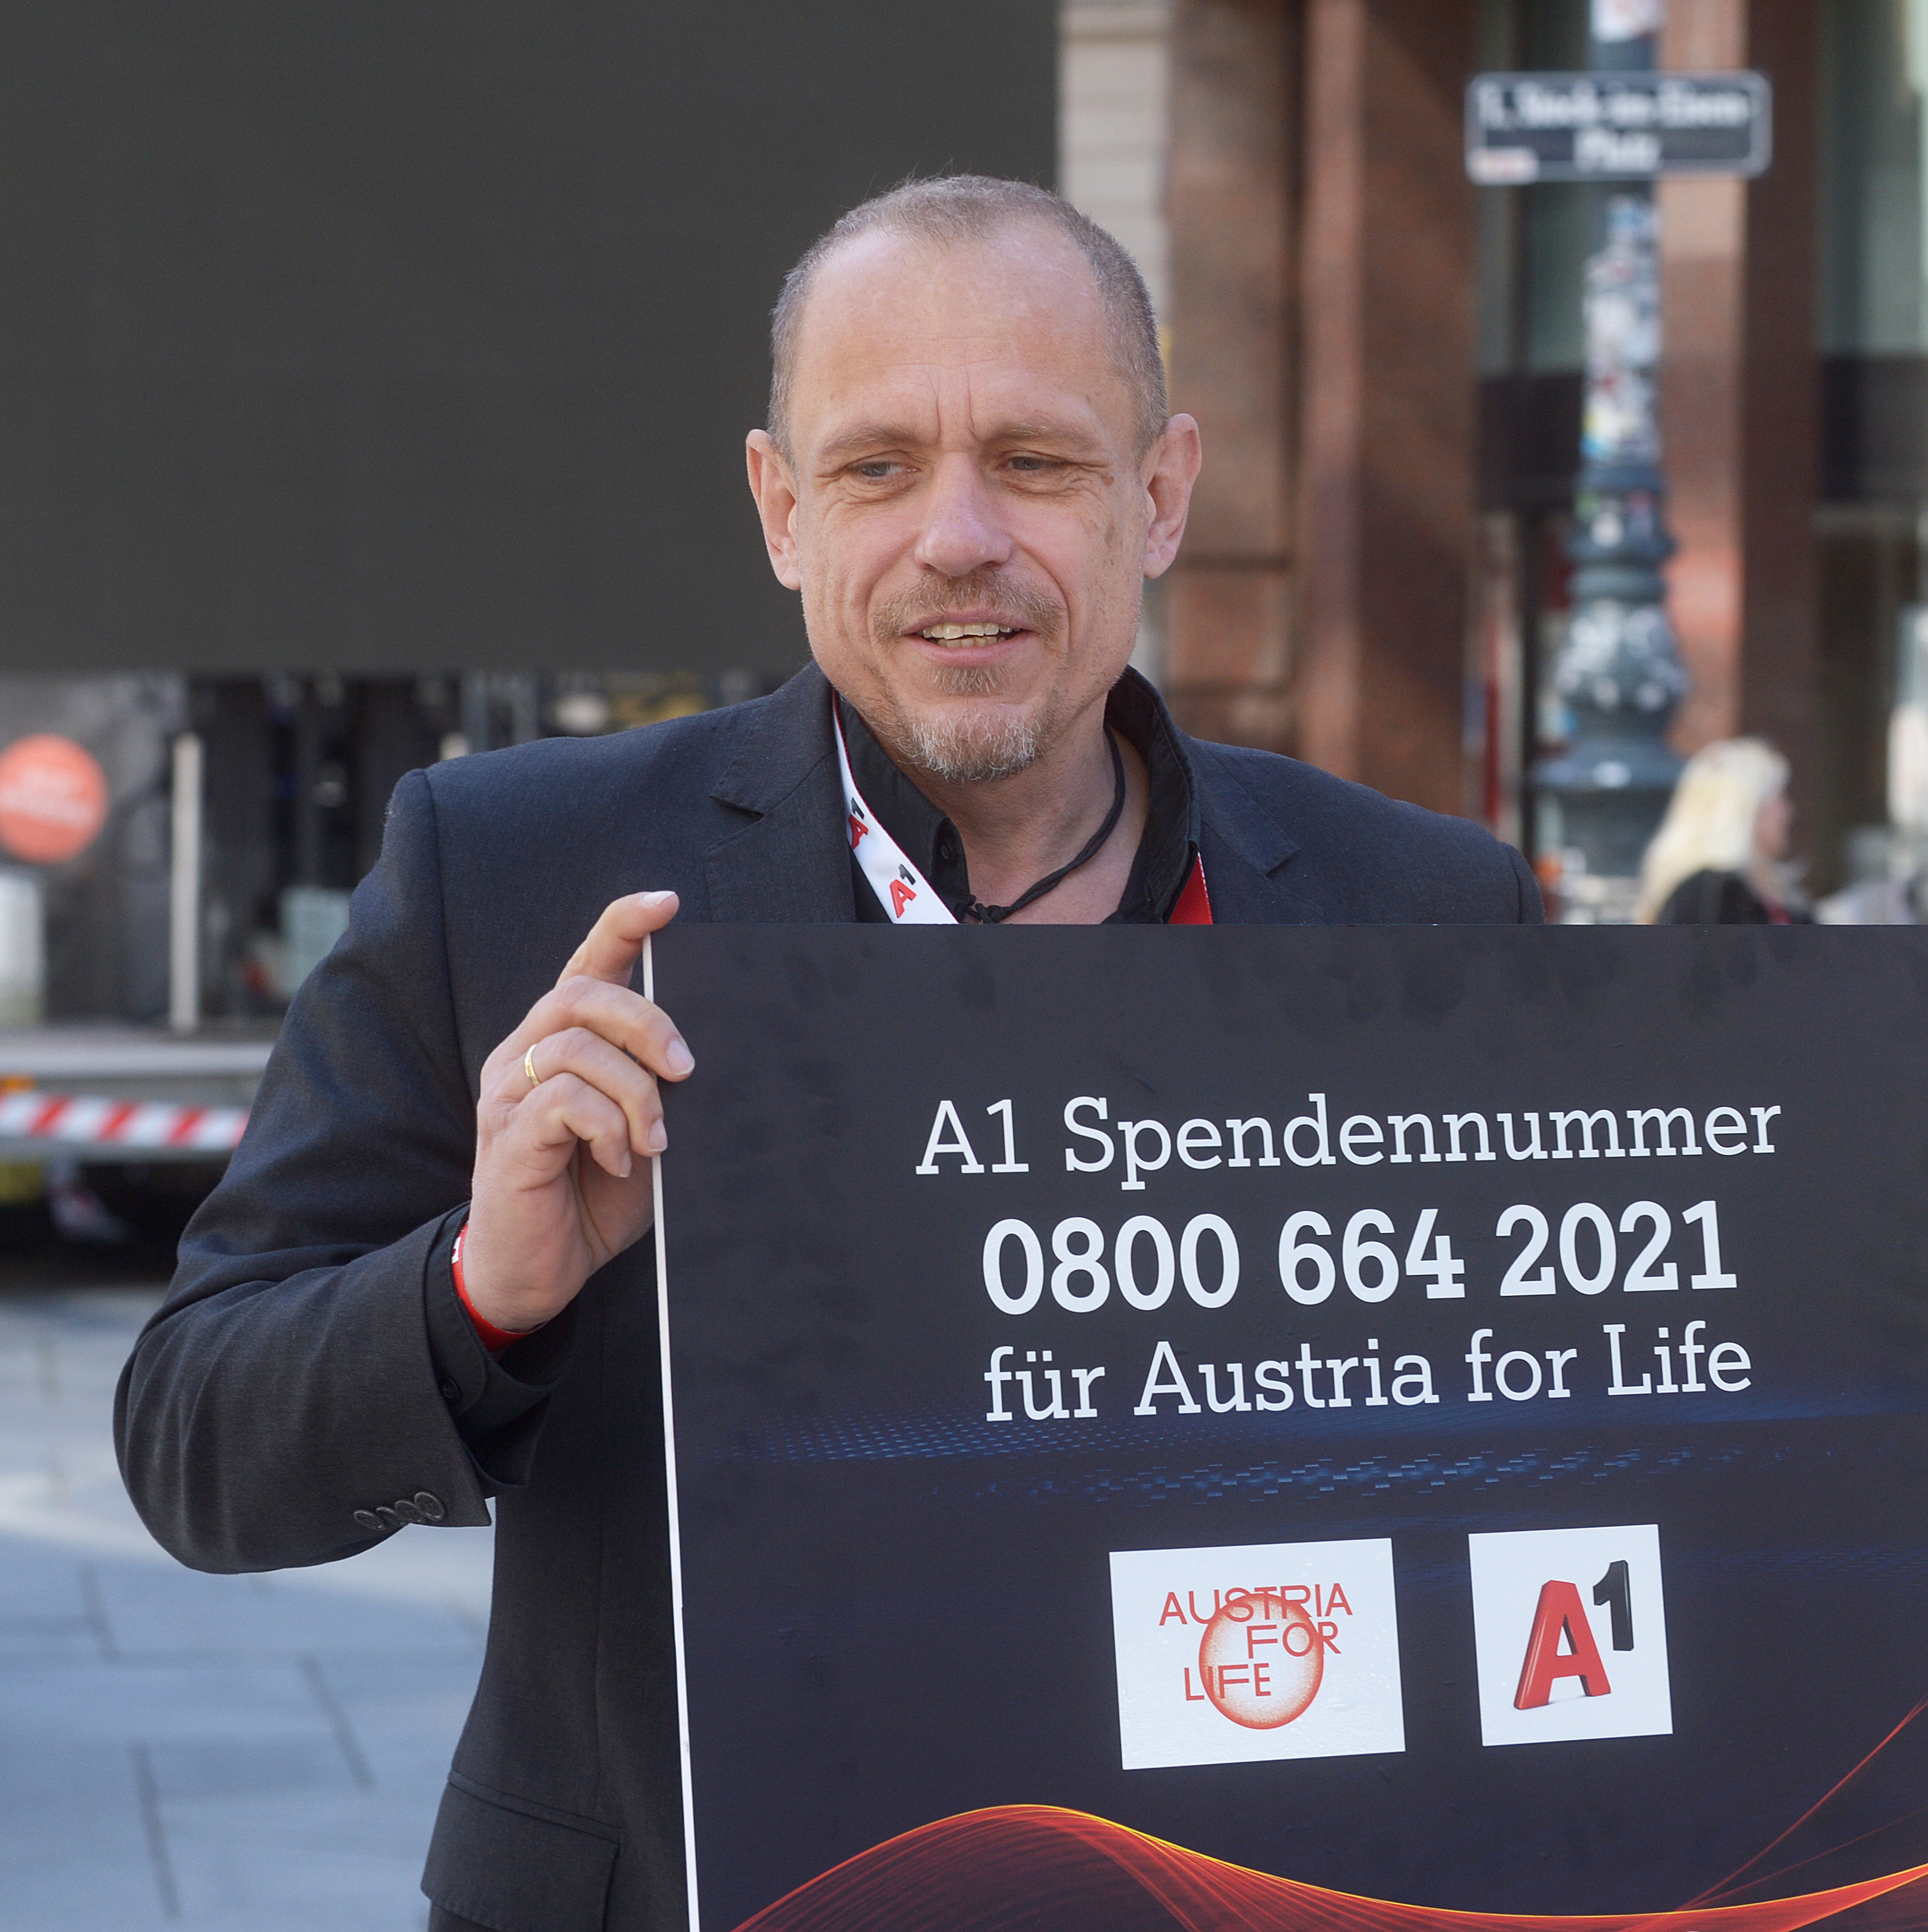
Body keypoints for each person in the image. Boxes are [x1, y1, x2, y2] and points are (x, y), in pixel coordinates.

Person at [114, 177, 1542, 1932]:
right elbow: (195, 1440)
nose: (957, 535)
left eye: (1035, 460)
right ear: (780, 509)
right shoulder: (506, 869)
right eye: (875, 467)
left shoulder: (1423, 909)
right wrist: (487, 1282)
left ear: (1159, 496)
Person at [1635, 737, 1807, 925]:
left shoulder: (1773, 891)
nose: (1787, 812)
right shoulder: (1709, 895)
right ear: (1745, 809)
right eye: (1779, 797)